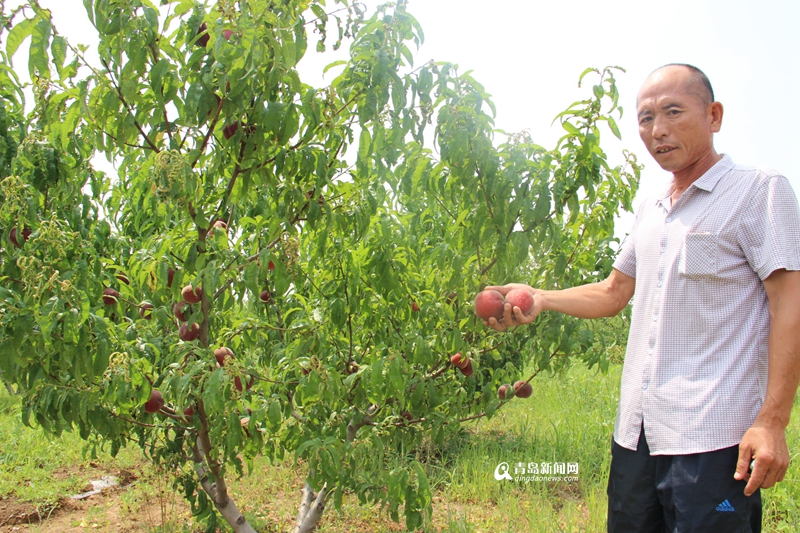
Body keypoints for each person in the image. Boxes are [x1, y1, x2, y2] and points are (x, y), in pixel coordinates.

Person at [483, 64, 800, 532]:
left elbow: (789, 304)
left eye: (673, 111)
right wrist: (541, 297)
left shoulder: (757, 190)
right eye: (646, 118)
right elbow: (614, 291)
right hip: (636, 438)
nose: (658, 130)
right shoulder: (652, 208)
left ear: (714, 115)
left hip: (713, 443)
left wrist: (773, 421)